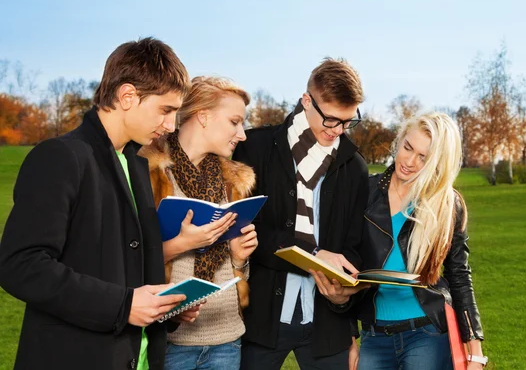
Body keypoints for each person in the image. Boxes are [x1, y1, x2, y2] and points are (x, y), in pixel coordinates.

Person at [0, 37, 201, 370]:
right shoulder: (61, 157)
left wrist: (164, 306)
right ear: (127, 96)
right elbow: (20, 264)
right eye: (166, 110)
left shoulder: (137, 164)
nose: (171, 125)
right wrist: (123, 306)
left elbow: (124, 269)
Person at [233, 57, 369, 370]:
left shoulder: (355, 167)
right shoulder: (254, 148)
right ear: (306, 101)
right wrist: (315, 253)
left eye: (349, 122)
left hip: (326, 324)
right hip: (261, 317)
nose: (338, 131)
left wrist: (347, 318)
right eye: (332, 120)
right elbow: (247, 230)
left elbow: (353, 246)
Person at [139, 76, 259, 370]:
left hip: (227, 341)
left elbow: (238, 273)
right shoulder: (148, 173)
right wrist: (183, 244)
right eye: (234, 121)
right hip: (169, 343)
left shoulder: (234, 183)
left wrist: (239, 258)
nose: (241, 134)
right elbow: (128, 260)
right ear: (203, 116)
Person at [353, 112, 487, 370]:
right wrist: (350, 338)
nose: (409, 161)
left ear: (437, 163)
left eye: (423, 157)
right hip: (373, 334)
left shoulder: (447, 204)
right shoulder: (365, 192)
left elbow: (459, 275)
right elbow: (347, 261)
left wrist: (475, 350)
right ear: (399, 139)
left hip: (428, 334)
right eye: (407, 147)